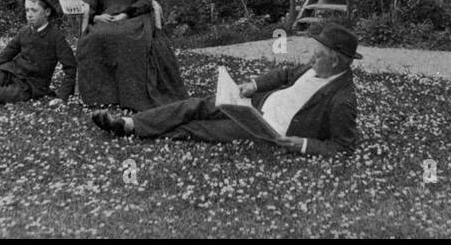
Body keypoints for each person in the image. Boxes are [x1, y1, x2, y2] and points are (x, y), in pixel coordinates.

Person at [92, 21, 360, 157]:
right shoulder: (315, 67)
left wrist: (302, 144)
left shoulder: (342, 100)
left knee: (197, 128)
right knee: (196, 105)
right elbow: (285, 74)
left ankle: (138, 132)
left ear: (335, 59)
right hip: (256, 106)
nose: (311, 59)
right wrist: (253, 85)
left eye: (317, 55)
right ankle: (128, 124)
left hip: (267, 130)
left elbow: (343, 147)